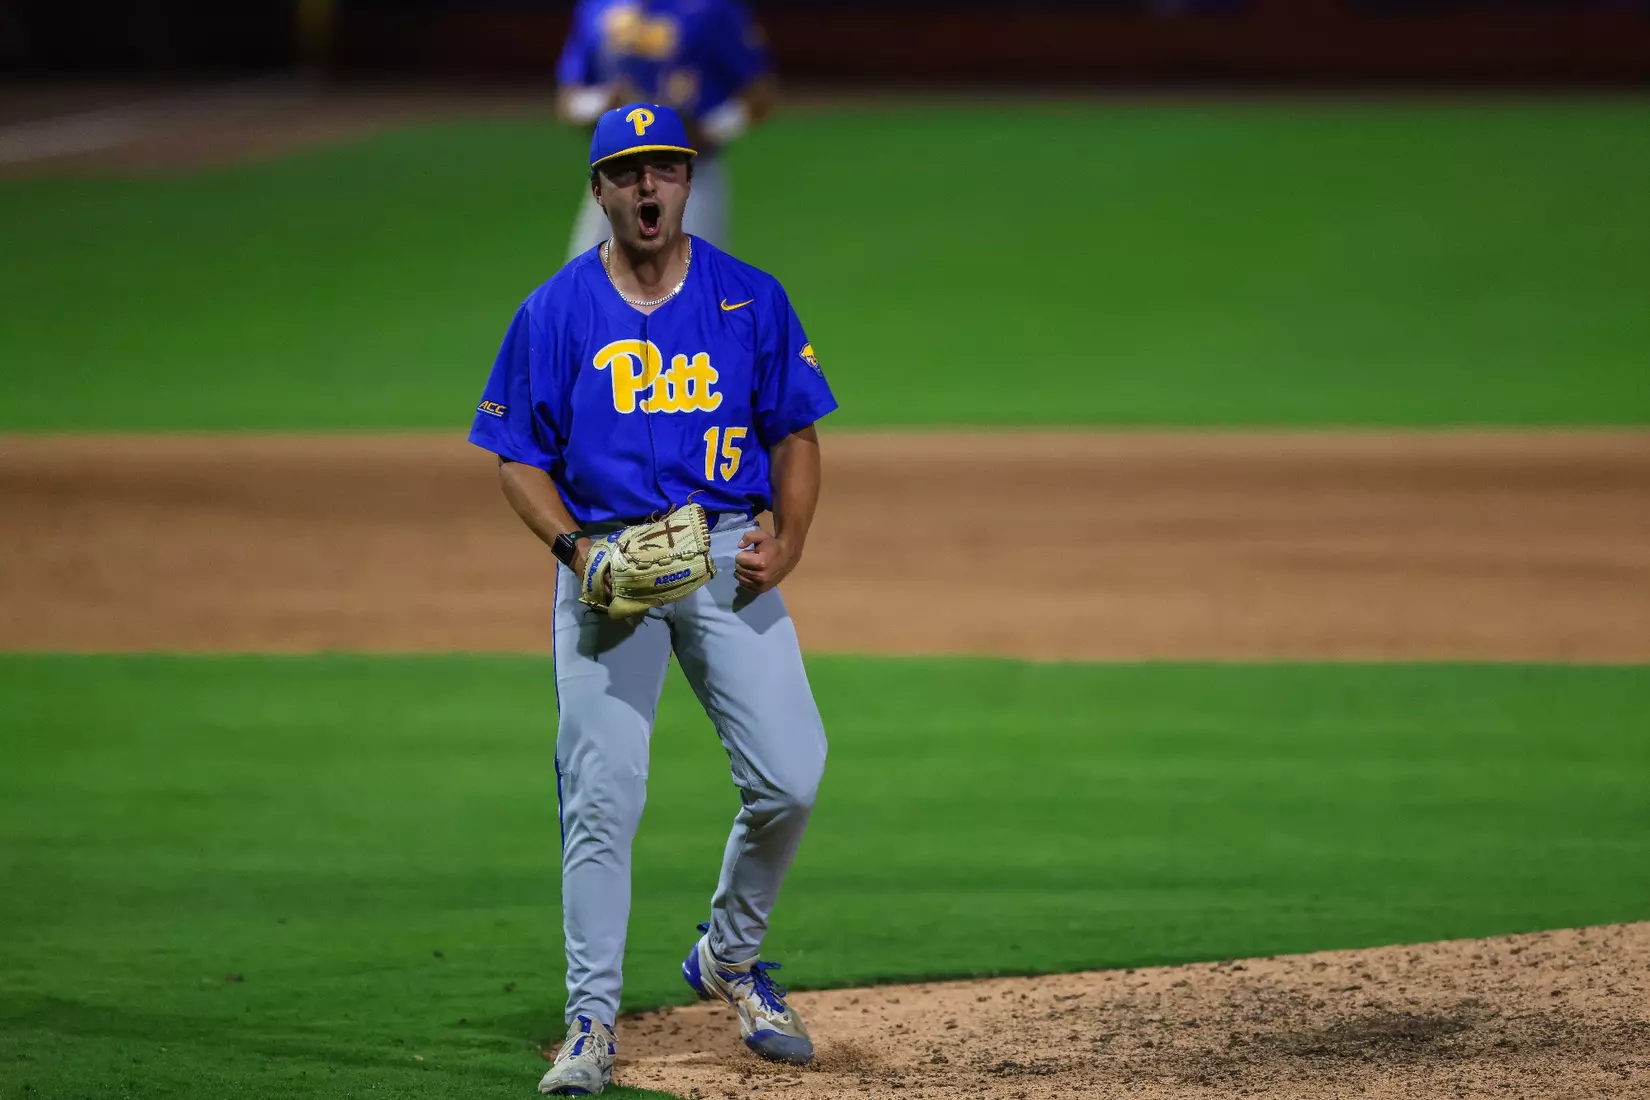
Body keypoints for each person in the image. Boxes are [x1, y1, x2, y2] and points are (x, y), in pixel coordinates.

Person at [467, 103, 835, 1097]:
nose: (647, 186)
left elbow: (796, 431)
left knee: (792, 775)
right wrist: (573, 549)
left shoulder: (748, 299)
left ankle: (729, 954)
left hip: (722, 553)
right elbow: (516, 455)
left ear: (686, 180)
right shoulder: (553, 312)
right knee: (602, 795)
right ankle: (590, 1022)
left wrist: (791, 540)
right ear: (599, 190)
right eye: (627, 170)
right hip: (608, 569)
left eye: (664, 167)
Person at [554, 0, 776, 260]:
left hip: (690, 179)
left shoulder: (713, 8)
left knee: (695, 280)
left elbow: (760, 95)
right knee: (587, 280)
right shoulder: (597, 6)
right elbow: (568, 101)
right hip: (614, 177)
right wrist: (601, 104)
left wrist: (706, 131)